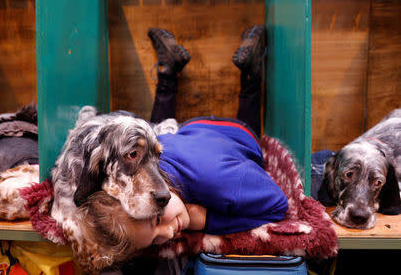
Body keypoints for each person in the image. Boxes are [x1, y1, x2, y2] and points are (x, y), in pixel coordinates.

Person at [77, 26, 288, 272]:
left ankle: (251, 76)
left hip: (236, 132)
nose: (167, 235)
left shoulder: (221, 182)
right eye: (156, 240)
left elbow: (278, 206)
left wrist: (209, 220)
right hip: (185, 131)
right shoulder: (140, 171)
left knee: (249, 139)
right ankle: (168, 71)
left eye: (158, 217)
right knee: (151, 136)